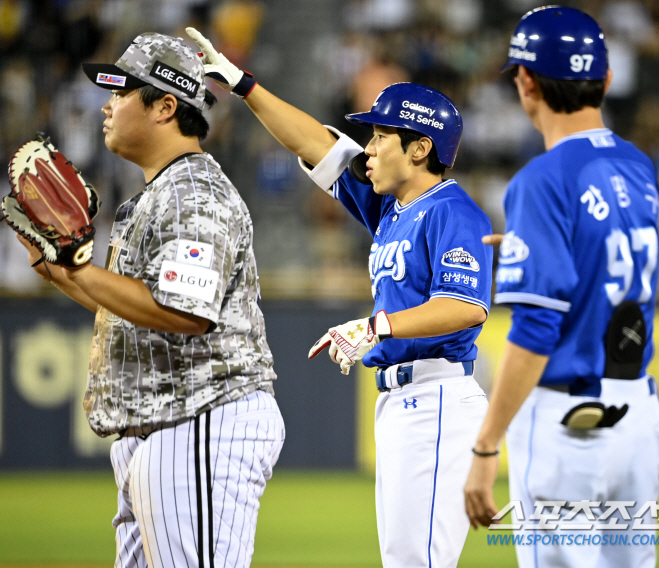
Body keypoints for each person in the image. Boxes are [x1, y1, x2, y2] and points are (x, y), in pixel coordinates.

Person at [186, 27, 492, 568]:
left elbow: (466, 306)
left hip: (437, 398)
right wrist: (242, 84)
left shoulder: (453, 210)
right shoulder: (389, 209)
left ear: (420, 148)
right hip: (402, 401)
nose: (367, 148)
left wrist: (378, 328)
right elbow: (316, 145)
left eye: (380, 137)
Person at [18, 33, 285, 568]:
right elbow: (136, 315)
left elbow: (182, 313)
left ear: (166, 106)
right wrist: (58, 272)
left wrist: (78, 268)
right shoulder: (161, 192)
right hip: (161, 428)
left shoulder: (195, 194)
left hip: (200, 423)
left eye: (120, 90)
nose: (106, 104)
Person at [463, 7, 659, 568]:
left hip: (569, 426)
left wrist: (486, 445)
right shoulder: (638, 165)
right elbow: (609, 258)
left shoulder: (541, 180)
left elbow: (536, 328)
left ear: (526, 82)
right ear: (604, 80)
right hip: (636, 416)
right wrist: (540, 245)